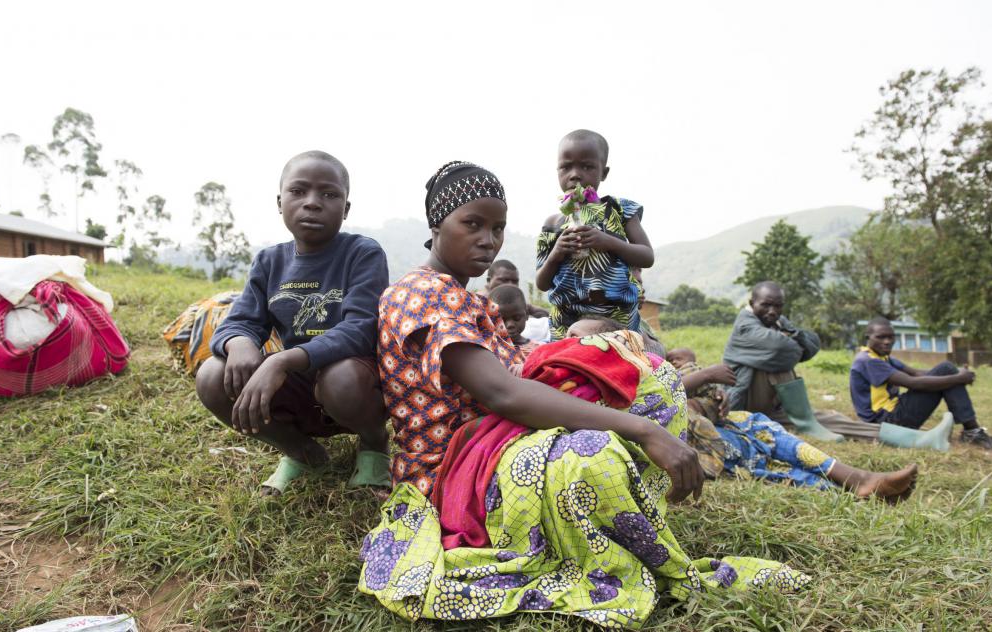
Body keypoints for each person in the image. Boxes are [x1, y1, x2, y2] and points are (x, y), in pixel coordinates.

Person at [359, 161, 808, 628]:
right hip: (454, 469)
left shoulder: (469, 298)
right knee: (594, 453)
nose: (488, 239)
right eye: (471, 224)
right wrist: (643, 429)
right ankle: (589, 534)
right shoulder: (421, 294)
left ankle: (617, 516)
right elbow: (503, 393)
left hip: (495, 441)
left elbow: (517, 367)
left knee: (648, 375)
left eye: (497, 228)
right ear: (436, 227)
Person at [194, 150, 390, 496]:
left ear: (345, 209)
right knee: (212, 375)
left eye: (329, 194)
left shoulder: (362, 253)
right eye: (299, 191)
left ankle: (373, 443)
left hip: (354, 384)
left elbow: (362, 328)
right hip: (298, 386)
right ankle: (301, 451)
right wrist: (239, 343)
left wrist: (284, 359)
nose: (312, 203)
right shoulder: (270, 262)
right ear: (280, 201)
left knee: (343, 379)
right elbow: (239, 321)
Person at [568, 319, 918, 500]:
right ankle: (846, 486)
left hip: (702, 425)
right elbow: (659, 402)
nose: (566, 343)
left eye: (577, 337)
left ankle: (853, 478)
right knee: (756, 460)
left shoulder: (629, 370)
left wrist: (709, 395)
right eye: (567, 335)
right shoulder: (573, 385)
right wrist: (699, 383)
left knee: (757, 424)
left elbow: (672, 391)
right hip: (690, 445)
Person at [535, 129, 654, 340]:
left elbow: (646, 256)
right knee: (567, 368)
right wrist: (557, 252)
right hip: (566, 320)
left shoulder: (620, 210)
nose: (575, 174)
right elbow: (542, 283)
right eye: (566, 167)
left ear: (604, 173)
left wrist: (608, 241)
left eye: (587, 166)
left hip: (615, 319)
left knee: (617, 365)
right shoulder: (554, 223)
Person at [723, 281, 877, 443]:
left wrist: (789, 341)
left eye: (778, 306)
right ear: (752, 303)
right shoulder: (745, 324)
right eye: (766, 305)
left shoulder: (778, 321)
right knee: (777, 360)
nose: (772, 311)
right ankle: (806, 423)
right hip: (743, 404)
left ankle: (895, 435)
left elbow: (813, 343)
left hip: (773, 407)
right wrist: (789, 343)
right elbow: (780, 349)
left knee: (830, 420)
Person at [851, 317, 992, 453]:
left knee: (947, 369)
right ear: (868, 337)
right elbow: (913, 383)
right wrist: (958, 378)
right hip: (884, 424)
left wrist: (956, 374)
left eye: (891, 337)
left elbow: (916, 373)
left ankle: (972, 432)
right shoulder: (868, 361)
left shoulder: (881, 357)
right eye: (880, 337)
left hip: (892, 415)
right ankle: (972, 432)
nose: (887, 342)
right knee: (947, 369)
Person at [488, 284, 541, 358]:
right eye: (502, 320)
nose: (510, 324)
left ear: (527, 315)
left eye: (517, 318)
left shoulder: (538, 349)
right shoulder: (488, 349)